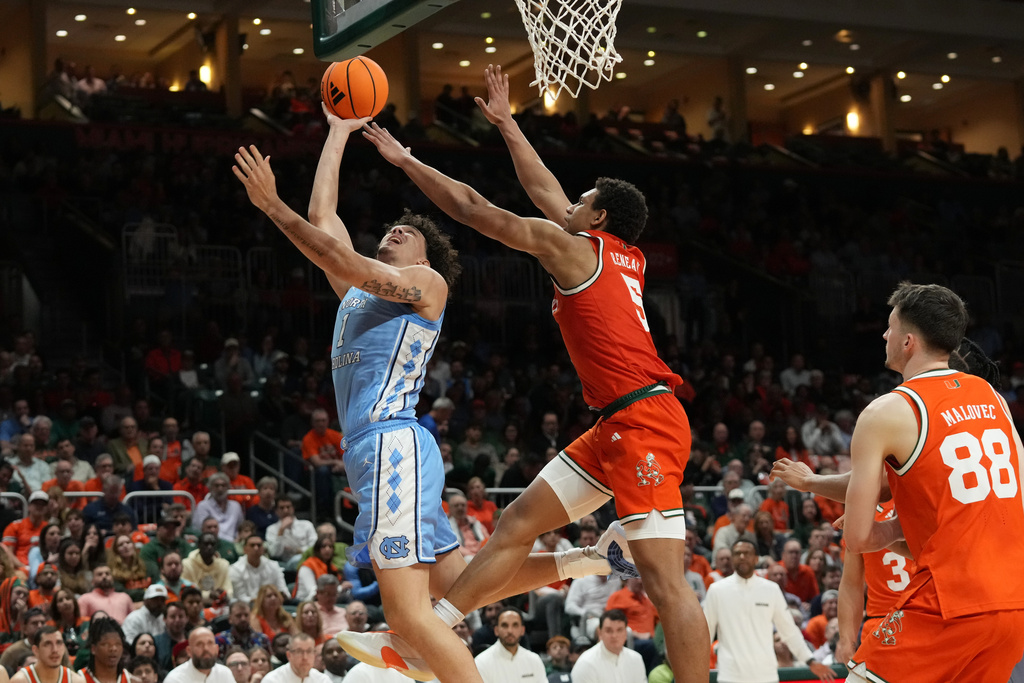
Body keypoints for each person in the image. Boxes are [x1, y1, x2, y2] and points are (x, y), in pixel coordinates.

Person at [357, 63, 709, 683]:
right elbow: (545, 188)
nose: (567, 204)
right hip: (616, 422)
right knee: (517, 521)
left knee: (666, 585)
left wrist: (405, 160)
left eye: (582, 202)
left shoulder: (573, 248)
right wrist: (505, 124)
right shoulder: (616, 252)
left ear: (595, 220)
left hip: (644, 420)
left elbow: (474, 207)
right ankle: (431, 632)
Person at [235, 108, 610, 683]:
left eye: (404, 233)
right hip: (378, 454)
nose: (392, 232)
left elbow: (334, 253)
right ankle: (585, 559)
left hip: (392, 446)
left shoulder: (426, 286)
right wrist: (336, 130)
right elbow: (323, 218)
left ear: (424, 258)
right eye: (389, 229)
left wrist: (268, 207)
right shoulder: (357, 294)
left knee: (410, 618)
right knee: (454, 582)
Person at [843, 283, 1024, 683]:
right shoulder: (994, 397)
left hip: (949, 603)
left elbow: (857, 538)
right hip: (1014, 606)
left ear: (909, 341)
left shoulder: (885, 412)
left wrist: (894, 527)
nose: (884, 335)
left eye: (890, 327)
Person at [704, 541, 835, 683]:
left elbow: (789, 630)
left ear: (756, 558)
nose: (742, 557)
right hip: (730, 676)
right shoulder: (716, 590)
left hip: (766, 675)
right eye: (737, 553)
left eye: (747, 553)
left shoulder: (771, 590)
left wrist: (810, 661)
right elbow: (705, 635)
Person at [569, 609, 645, 683]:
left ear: (626, 633)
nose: (614, 636)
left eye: (619, 630)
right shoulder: (586, 663)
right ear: (600, 633)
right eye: (609, 630)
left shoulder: (636, 659)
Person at [472, 608, 546, 683]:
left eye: (515, 625)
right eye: (505, 625)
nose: (510, 631)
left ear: (522, 630)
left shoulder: (534, 660)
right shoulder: (482, 662)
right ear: (496, 630)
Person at [9, 626, 84, 683]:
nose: (55, 650)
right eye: (47, 644)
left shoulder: (76, 680)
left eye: (59, 643)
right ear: (36, 650)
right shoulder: (20, 680)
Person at [228, 534, 286, 604]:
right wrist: (262, 601)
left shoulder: (274, 566)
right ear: (245, 549)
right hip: (248, 607)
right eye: (252, 545)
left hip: (273, 605)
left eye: (259, 545)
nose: (256, 548)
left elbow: (283, 590)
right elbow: (240, 597)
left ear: (263, 549)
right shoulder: (235, 569)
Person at [163, 627, 234, 683]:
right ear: (189, 651)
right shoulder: (175, 679)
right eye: (199, 644)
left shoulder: (225, 673)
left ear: (216, 649)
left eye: (210, 643)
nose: (206, 648)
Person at [264, 497, 316, 570]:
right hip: (285, 565)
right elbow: (274, 553)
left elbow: (315, 547)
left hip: (307, 560)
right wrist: (281, 530)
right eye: (282, 508)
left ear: (293, 509)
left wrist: (298, 550)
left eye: (288, 507)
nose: (285, 510)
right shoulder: (271, 529)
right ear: (276, 511)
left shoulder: (306, 525)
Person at [3, 490, 49, 570]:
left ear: (47, 508)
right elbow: (7, 552)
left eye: (43, 504)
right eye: (36, 503)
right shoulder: (15, 526)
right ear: (29, 506)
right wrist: (22, 567)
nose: (39, 506)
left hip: (44, 569)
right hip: (19, 568)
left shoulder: (49, 528)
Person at [259, 632, 330, 683]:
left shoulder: (323, 680)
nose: (305, 657)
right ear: (289, 655)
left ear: (314, 654)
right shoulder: (272, 680)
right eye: (299, 651)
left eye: (309, 651)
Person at [182, 533, 233, 601]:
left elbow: (229, 590)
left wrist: (224, 594)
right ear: (199, 545)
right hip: (195, 604)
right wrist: (208, 595)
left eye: (212, 544)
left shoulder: (223, 565)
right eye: (206, 544)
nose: (209, 547)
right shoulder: (187, 564)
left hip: (219, 603)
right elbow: (186, 592)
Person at [193, 474, 244, 542]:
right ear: (210, 488)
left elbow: (240, 528)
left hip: (234, 544)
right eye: (216, 486)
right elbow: (199, 530)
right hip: (211, 543)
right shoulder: (203, 506)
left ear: (228, 487)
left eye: (223, 485)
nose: (220, 489)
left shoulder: (236, 506)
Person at [81, 617, 131, 683]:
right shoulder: (79, 679)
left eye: (118, 644)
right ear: (93, 649)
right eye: (106, 644)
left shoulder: (132, 680)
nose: (113, 649)